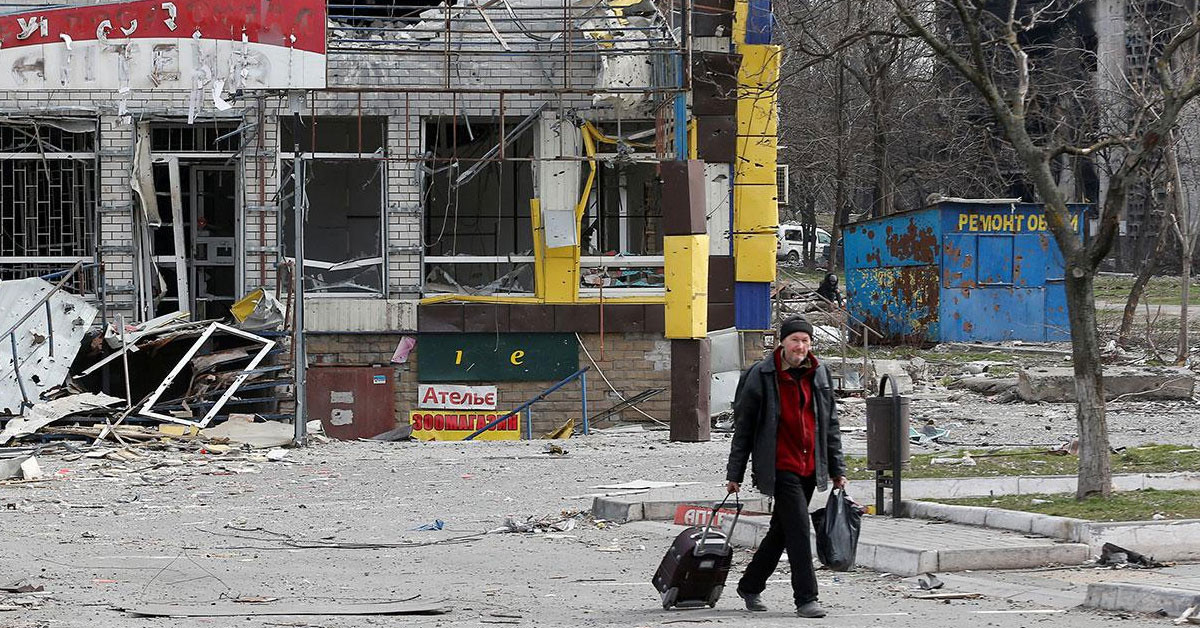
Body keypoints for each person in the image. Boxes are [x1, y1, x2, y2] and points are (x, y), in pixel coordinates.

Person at [724, 315, 847, 619]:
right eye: (795, 340)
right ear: (783, 342)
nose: (800, 346)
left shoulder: (819, 373)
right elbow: (744, 429)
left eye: (805, 341)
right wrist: (735, 473)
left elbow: (829, 424)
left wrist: (836, 468)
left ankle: (750, 585)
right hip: (780, 466)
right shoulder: (761, 375)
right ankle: (806, 598)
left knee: (782, 530)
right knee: (798, 531)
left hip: (809, 466)